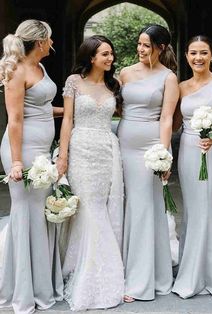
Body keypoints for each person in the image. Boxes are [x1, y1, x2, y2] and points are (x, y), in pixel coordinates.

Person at [56, 35, 124, 311]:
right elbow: (68, 119)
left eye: (111, 54)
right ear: (91, 57)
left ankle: (102, 270)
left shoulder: (114, 85)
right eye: (104, 54)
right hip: (81, 149)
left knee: (100, 207)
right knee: (85, 208)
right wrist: (62, 156)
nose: (110, 58)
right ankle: (79, 268)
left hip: (107, 151)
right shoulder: (74, 82)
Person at [0, 19, 63, 313]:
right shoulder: (17, 71)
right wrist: (15, 161)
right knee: (25, 213)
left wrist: (76, 110)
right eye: (49, 39)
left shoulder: (40, 68)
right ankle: (22, 289)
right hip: (22, 151)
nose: (52, 43)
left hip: (42, 151)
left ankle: (41, 283)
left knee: (40, 216)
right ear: (40, 42)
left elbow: (41, 107)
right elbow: (15, 119)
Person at [117, 24, 179, 302]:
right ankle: (120, 267)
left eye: (146, 45)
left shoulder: (169, 78)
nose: (141, 49)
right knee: (125, 204)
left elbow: (167, 118)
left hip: (149, 147)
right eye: (139, 44)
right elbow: (114, 106)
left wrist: (164, 154)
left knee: (144, 208)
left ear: (161, 47)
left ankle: (142, 280)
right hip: (123, 144)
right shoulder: (126, 72)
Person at [172, 35, 212, 303]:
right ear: (186, 56)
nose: (198, 58)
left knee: (211, 213)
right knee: (193, 212)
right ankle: (191, 273)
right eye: (193, 53)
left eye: (203, 53)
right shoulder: (181, 87)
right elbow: (173, 122)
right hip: (188, 152)